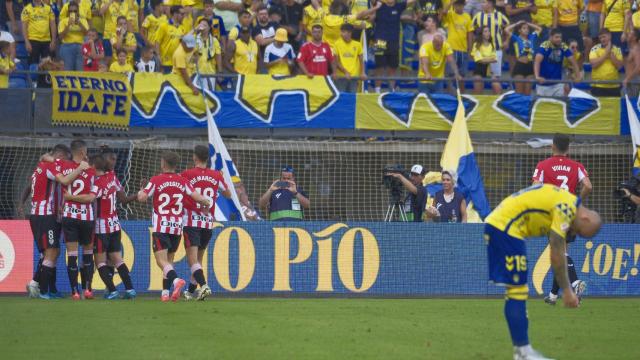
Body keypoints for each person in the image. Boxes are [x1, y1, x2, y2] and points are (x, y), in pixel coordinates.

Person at [486, 184, 601, 359]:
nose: (573, 233)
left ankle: (523, 351)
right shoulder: (567, 208)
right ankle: (523, 352)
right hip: (506, 228)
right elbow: (556, 254)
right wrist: (568, 291)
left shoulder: (565, 200)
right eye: (577, 230)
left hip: (504, 227)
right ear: (585, 218)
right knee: (516, 292)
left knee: (516, 291)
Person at [137, 151, 212, 302]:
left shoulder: (156, 179)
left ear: (163, 163)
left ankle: (176, 281)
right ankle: (166, 293)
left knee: (161, 261)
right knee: (169, 261)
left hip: (161, 226)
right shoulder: (183, 181)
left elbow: (142, 198)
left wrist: (141, 190)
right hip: (177, 227)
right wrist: (206, 203)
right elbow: (198, 197)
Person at [63, 153, 137, 300]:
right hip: (115, 224)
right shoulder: (113, 177)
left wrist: (71, 197)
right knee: (117, 258)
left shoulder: (97, 183)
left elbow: (90, 198)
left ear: (94, 166)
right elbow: (122, 197)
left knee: (100, 261)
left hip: (102, 226)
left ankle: (113, 290)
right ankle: (130, 289)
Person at [532, 133, 592, 306]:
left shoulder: (543, 166)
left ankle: (575, 283)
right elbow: (588, 185)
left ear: (552, 146)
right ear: (568, 148)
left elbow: (536, 187)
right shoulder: (577, 166)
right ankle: (552, 295)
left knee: (559, 253)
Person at [26, 144, 88, 299]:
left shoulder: (40, 166)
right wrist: (80, 168)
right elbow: (65, 180)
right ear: (60, 156)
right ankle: (41, 288)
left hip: (42, 214)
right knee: (51, 251)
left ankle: (49, 289)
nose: (66, 164)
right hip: (45, 215)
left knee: (51, 251)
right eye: (66, 160)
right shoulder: (50, 166)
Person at [180, 145, 232, 301]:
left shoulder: (187, 174)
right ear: (208, 158)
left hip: (191, 221)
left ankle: (204, 286)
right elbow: (228, 194)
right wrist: (216, 184)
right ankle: (190, 291)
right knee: (199, 260)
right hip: (208, 222)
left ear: (195, 157)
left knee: (192, 260)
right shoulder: (216, 175)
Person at [53, 140, 97, 300]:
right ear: (83, 152)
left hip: (69, 216)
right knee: (87, 254)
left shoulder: (63, 166)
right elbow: (91, 198)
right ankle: (88, 289)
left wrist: (69, 198)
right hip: (86, 218)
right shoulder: (91, 171)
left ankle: (74, 292)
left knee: (72, 254)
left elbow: (63, 181)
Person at [371, 0, 413, 93]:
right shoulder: (379, 5)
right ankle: (377, 90)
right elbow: (370, 19)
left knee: (392, 67)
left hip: (394, 41)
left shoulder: (399, 6)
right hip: (380, 41)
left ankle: (392, 90)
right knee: (379, 67)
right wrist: (374, 9)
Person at [534, 28, 582, 97]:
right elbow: (537, 62)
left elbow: (573, 61)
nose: (559, 39)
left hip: (558, 85)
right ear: (550, 37)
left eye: (560, 37)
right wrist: (537, 76)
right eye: (556, 37)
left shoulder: (563, 46)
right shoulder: (544, 46)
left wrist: (578, 76)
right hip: (542, 85)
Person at [472, 0, 510, 83]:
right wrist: (475, 43)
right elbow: (472, 30)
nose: (481, 4)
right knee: (479, 78)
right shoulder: (478, 16)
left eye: (483, 2)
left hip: (496, 49)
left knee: (495, 78)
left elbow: (509, 28)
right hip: (481, 51)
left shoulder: (499, 15)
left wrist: (506, 41)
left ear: (490, 4)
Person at [504, 20, 541, 95]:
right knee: (519, 93)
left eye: (527, 28)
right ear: (519, 30)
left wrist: (528, 23)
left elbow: (539, 29)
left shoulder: (532, 37)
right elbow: (506, 30)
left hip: (530, 66)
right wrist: (517, 23)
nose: (526, 30)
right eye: (524, 28)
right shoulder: (516, 38)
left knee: (527, 93)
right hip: (520, 66)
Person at [442, 0, 473, 90]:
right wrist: (451, 2)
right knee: (451, 74)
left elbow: (469, 34)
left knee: (462, 75)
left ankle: (462, 97)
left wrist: (470, 49)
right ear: (454, 5)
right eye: (457, 4)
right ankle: (450, 97)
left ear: (464, 5)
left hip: (463, 50)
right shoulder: (450, 14)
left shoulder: (467, 17)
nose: (459, 6)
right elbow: (443, 12)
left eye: (461, 4)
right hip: (451, 49)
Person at [589, 28, 624, 97]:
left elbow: (619, 66)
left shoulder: (617, 49)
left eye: (604, 36)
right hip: (598, 86)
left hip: (614, 86)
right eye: (600, 38)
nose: (602, 39)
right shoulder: (594, 49)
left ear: (610, 36)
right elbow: (593, 65)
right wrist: (606, 53)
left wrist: (610, 54)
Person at [21, 0, 57, 65]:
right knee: (33, 64)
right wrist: (27, 42)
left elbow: (53, 24)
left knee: (47, 64)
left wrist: (53, 40)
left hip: (46, 41)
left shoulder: (48, 8)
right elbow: (24, 27)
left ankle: (44, 76)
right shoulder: (27, 9)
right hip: (33, 40)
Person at [333, 23, 365, 92]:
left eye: (344, 32)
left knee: (353, 97)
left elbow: (361, 60)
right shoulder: (337, 44)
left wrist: (362, 73)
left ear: (350, 33)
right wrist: (345, 72)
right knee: (342, 97)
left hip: (354, 77)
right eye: (341, 32)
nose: (342, 34)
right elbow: (336, 61)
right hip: (342, 77)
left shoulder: (358, 45)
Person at [58, 2, 89, 71]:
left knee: (80, 71)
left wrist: (79, 24)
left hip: (80, 46)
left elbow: (87, 33)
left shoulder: (83, 21)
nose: (73, 13)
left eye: (75, 11)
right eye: (70, 11)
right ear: (68, 12)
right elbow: (60, 37)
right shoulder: (63, 21)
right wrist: (68, 25)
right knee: (68, 71)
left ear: (78, 12)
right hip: (67, 46)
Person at [155, 5, 186, 72]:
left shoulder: (183, 28)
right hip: (166, 62)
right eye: (182, 14)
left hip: (178, 62)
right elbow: (157, 41)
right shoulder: (164, 26)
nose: (184, 16)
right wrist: (158, 55)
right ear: (175, 14)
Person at [471, 26, 501, 94]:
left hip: (489, 70)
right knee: (478, 91)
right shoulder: (476, 45)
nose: (488, 33)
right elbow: (479, 60)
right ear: (481, 34)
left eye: (488, 31)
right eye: (485, 31)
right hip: (479, 70)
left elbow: (495, 59)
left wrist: (483, 58)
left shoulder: (492, 45)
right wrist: (489, 58)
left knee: (497, 87)